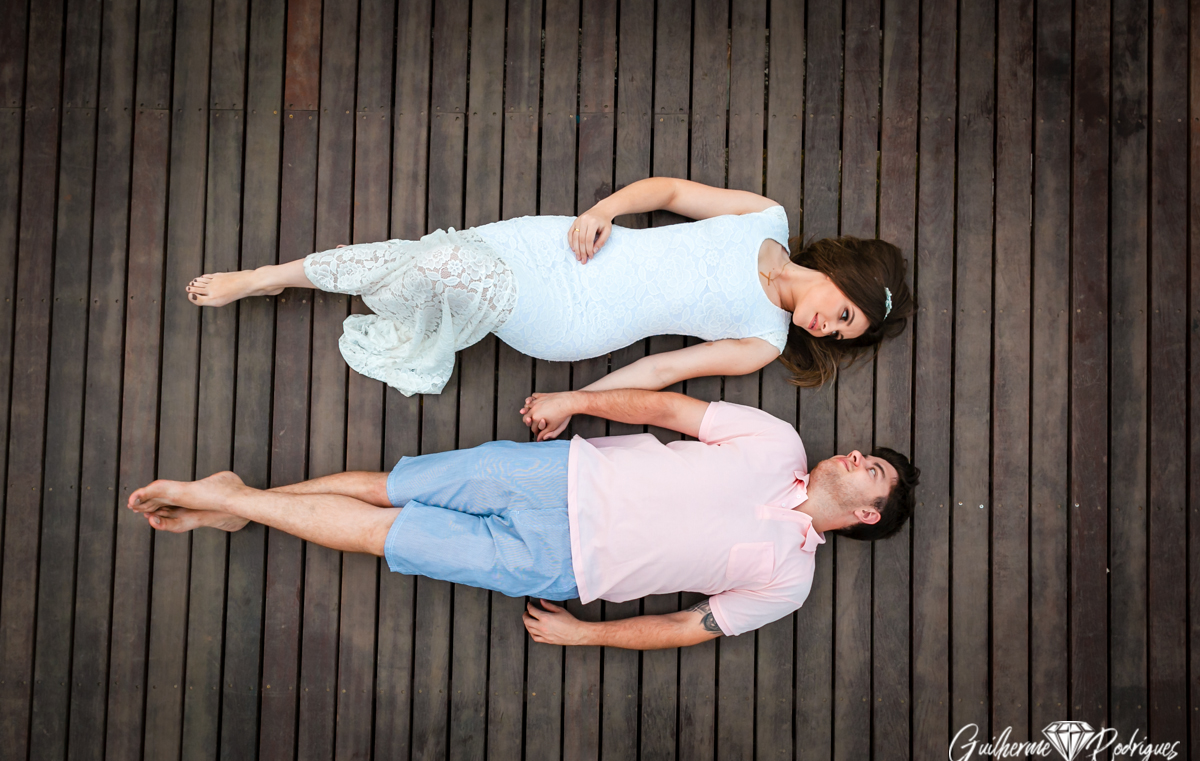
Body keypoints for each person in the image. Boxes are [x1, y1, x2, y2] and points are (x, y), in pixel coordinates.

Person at [127, 389, 919, 648]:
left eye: (869, 468)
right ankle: (236, 503)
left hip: (560, 567)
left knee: (387, 537)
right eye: (862, 451)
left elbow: (689, 626)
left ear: (870, 514)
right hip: (557, 471)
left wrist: (586, 634)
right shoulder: (777, 437)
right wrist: (578, 400)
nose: (853, 456)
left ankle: (231, 501)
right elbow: (669, 409)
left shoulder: (790, 580)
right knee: (389, 489)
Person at [184, 178, 913, 431]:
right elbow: (667, 194)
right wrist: (603, 210)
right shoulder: (766, 219)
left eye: (844, 334)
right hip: (562, 248)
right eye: (846, 313)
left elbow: (660, 373)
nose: (830, 328)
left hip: (570, 322)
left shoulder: (760, 338)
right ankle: (271, 276)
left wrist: (572, 403)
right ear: (843, 275)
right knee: (417, 257)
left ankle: (268, 280)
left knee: (437, 265)